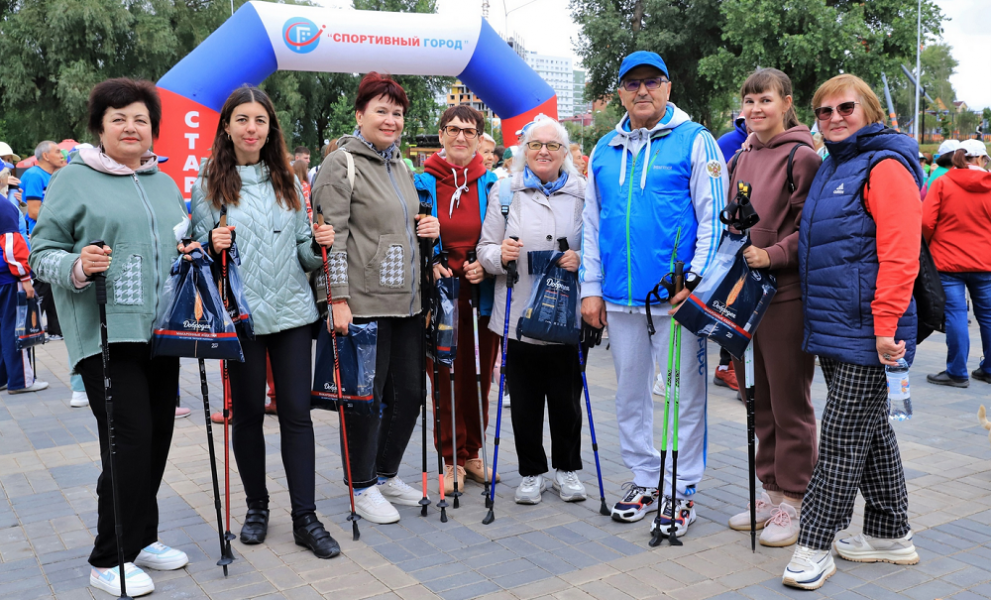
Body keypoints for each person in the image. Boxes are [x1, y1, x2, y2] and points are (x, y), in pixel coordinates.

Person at [30, 78, 196, 597]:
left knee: (158, 438)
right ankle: (108, 556)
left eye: (141, 119)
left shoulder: (163, 182)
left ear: (153, 130)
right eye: (119, 118)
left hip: (162, 330)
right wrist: (78, 264)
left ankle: (142, 538)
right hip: (106, 335)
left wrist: (189, 252)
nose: (131, 127)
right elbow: (41, 251)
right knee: (128, 443)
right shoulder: (72, 181)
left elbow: (172, 240)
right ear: (99, 127)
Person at [579, 51, 727, 537]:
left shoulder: (696, 141)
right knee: (630, 395)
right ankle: (645, 478)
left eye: (652, 82)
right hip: (620, 300)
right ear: (620, 91)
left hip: (676, 301)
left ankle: (679, 488)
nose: (642, 90)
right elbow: (591, 226)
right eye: (632, 83)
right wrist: (591, 289)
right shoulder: (603, 148)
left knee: (679, 397)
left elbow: (716, 221)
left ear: (667, 87)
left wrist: (696, 283)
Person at [784, 74, 923, 591]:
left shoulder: (884, 166)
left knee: (841, 437)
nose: (835, 118)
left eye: (845, 108)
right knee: (872, 430)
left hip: (872, 333)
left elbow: (900, 252)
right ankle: (890, 534)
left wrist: (887, 326)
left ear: (868, 110)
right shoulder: (834, 165)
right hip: (835, 325)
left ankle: (814, 545)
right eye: (824, 111)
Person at [191, 85, 339, 559]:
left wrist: (320, 247)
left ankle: (305, 517)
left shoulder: (288, 181)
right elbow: (198, 254)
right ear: (227, 127)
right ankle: (257, 507)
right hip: (242, 318)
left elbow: (303, 254)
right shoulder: (209, 182)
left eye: (260, 120)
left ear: (270, 127)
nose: (252, 128)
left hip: (294, 314)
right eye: (242, 120)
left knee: (297, 413)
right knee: (249, 415)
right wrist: (210, 244)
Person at [311, 72, 440, 525]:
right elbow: (333, 239)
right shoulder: (341, 164)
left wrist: (429, 231)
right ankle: (360, 485)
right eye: (381, 111)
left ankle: (385, 474)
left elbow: (402, 228)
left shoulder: (401, 167)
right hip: (363, 303)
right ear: (360, 114)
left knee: (409, 393)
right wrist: (337, 299)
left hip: (407, 303)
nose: (390, 120)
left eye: (398, 113)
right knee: (364, 399)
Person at [723, 69, 821, 547]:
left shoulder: (803, 156)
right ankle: (769, 489)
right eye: (749, 100)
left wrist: (773, 254)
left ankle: (796, 500)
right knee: (755, 398)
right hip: (746, 295)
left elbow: (814, 230)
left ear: (786, 102)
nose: (756, 108)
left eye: (765, 99)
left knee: (789, 401)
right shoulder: (742, 155)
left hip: (785, 296)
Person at [477, 115, 587, 504]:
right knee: (523, 400)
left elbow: (597, 248)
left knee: (566, 399)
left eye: (552, 146)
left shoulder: (582, 192)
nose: (543, 152)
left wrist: (581, 258)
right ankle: (531, 472)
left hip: (566, 314)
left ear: (564, 153)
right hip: (517, 312)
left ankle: (568, 469)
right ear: (524, 151)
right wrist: (498, 254)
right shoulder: (506, 192)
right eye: (535, 145)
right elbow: (484, 249)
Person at [415, 105, 500, 495]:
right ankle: (450, 457)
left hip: (481, 293)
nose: (461, 137)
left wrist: (486, 263)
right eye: (453, 129)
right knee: (446, 376)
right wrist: (430, 262)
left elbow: (502, 236)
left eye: (469, 130)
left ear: (481, 138)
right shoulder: (422, 182)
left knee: (479, 378)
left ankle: (472, 453)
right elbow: (408, 234)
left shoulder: (493, 184)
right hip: (441, 294)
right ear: (442, 133)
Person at [923, 139, 991, 388]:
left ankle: (957, 372)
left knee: (956, 315)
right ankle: (989, 369)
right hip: (985, 262)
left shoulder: (942, 182)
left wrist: (930, 247)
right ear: (982, 159)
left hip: (948, 261)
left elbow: (927, 221)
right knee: (988, 316)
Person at [0, 162, 47, 395]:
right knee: (14, 327)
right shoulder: (4, 205)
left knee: (3, 327)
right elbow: (12, 246)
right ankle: (20, 380)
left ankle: (4, 378)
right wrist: (25, 278)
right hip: (7, 276)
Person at [20, 140, 66, 340]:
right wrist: (63, 222)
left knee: (55, 285)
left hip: (58, 237)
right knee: (42, 286)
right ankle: (30, 329)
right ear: (46, 156)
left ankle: (55, 329)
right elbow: (33, 210)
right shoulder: (34, 175)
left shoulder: (56, 175)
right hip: (43, 238)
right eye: (57, 151)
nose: (62, 154)